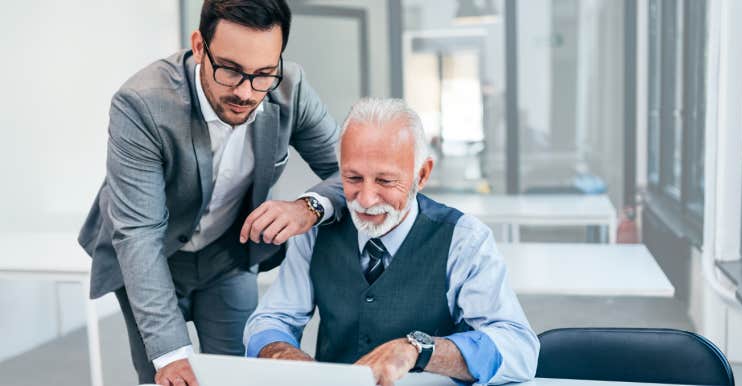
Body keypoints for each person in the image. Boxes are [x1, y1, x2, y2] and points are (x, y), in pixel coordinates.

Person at [77, 1, 344, 384]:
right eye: (231, 70)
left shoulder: (290, 87)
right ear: (200, 46)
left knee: (235, 373)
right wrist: (170, 354)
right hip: (153, 256)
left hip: (227, 255)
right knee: (167, 375)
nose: (247, 91)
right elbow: (139, 234)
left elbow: (347, 172)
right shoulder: (142, 103)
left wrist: (310, 206)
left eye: (263, 73)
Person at [243, 98, 539, 386]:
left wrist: (419, 350)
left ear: (421, 175)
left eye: (385, 181)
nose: (366, 199)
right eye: (353, 178)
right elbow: (272, 319)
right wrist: (281, 353)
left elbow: (519, 349)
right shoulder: (314, 233)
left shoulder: (464, 240)